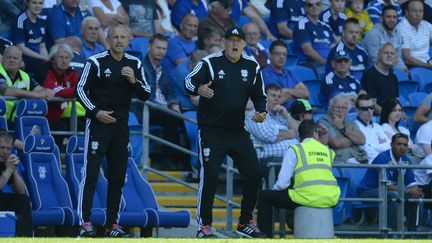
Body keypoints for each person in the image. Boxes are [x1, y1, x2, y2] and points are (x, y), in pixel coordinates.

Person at [185, 27, 267, 238]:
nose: (234, 44)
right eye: (231, 40)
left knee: (254, 173)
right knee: (210, 175)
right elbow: (189, 81)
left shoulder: (251, 66)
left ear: (243, 44)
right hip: (211, 131)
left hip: (237, 131)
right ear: (224, 42)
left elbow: (260, 95)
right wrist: (198, 89)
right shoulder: (210, 62)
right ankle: (204, 226)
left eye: (238, 41)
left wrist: (261, 111)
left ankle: (245, 222)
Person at [75, 24, 151, 238]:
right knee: (90, 174)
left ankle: (112, 224)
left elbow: (146, 93)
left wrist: (133, 81)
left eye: (123, 37)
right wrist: (95, 112)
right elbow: (79, 89)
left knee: (118, 177)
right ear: (108, 40)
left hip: (120, 127)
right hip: (98, 124)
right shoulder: (96, 62)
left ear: (128, 41)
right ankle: (85, 221)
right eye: (115, 37)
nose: (119, 41)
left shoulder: (134, 63)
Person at [256, 120, 340, 238]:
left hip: (306, 197)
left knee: (265, 197)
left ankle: (265, 238)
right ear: (316, 133)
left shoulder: (295, 149)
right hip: (331, 198)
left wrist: (275, 191)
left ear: (300, 136)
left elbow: (282, 183)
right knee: (293, 194)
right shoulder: (327, 151)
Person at [358, 133, 422, 234]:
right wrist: (409, 190)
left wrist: (415, 191)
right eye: (399, 144)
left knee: (415, 197)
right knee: (394, 195)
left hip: (389, 191)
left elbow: (411, 183)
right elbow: (387, 187)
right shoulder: (382, 158)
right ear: (391, 145)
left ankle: (412, 233)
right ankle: (393, 232)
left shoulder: (406, 159)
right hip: (368, 191)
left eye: (405, 145)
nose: (402, 147)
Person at [245, 84, 299, 160]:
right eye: (273, 96)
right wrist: (289, 133)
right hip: (265, 159)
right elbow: (268, 136)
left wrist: (286, 115)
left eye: (279, 97)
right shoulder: (256, 114)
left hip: (287, 158)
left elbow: (299, 132)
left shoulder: (281, 115)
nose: (276, 99)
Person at [0, 46, 54, 122]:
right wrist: (36, 95)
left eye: (15, 58)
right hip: (1, 119)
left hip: (17, 120)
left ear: (21, 61)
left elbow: (40, 89)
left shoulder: (25, 76)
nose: (12, 60)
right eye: (9, 57)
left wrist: (48, 92)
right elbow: (7, 91)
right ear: (3, 59)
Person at [0, 131, 32, 237]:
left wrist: (14, 169)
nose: (5, 152)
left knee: (23, 200)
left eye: (8, 149)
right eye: (2, 148)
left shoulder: (6, 161)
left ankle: (23, 238)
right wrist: (9, 170)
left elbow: (20, 190)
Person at [319, 94, 367, 163]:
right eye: (337, 107)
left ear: (348, 110)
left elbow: (362, 140)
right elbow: (336, 143)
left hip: (357, 157)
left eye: (344, 108)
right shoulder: (324, 121)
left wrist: (342, 128)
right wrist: (354, 141)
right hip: (339, 161)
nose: (340, 111)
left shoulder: (351, 123)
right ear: (331, 108)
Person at [262, 40, 310, 108]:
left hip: (299, 110)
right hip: (279, 112)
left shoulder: (290, 73)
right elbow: (277, 99)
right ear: (270, 54)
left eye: (284, 54)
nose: (281, 57)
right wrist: (296, 92)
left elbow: (306, 93)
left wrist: (287, 91)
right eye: (278, 54)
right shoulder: (265, 74)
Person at [292, 0, 336, 68]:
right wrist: (327, 63)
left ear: (321, 7)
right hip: (310, 63)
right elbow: (308, 51)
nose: (314, 7)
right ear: (305, 8)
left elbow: (334, 48)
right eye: (310, 5)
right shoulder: (302, 24)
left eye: (317, 4)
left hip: (328, 64)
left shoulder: (326, 26)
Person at [363, 5, 406, 71]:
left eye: (394, 17)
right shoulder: (373, 34)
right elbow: (374, 60)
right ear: (381, 18)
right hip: (373, 71)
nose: (392, 20)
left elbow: (398, 58)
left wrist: (403, 67)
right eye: (388, 17)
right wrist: (394, 66)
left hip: (391, 70)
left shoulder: (398, 35)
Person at [12, 0, 50, 74]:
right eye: (34, 3)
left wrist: (47, 59)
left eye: (40, 3)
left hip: (38, 59)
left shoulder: (42, 21)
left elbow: (42, 46)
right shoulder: (21, 20)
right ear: (27, 4)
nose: (37, 6)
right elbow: (20, 47)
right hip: (25, 59)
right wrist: (42, 58)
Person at [361, 43, 398, 114]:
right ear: (379, 55)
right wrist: (387, 116)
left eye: (392, 53)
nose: (389, 55)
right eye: (386, 53)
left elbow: (396, 102)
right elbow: (372, 104)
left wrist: (401, 114)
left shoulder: (393, 77)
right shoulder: (370, 75)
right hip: (377, 118)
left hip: (391, 117)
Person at [355, 94, 391, 163]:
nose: (369, 111)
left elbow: (389, 145)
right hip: (368, 164)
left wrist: (373, 146)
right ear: (357, 110)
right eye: (365, 108)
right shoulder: (354, 127)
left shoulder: (377, 126)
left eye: (371, 107)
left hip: (382, 162)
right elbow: (366, 150)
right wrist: (381, 146)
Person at [161, 14, 198, 80]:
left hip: (187, 79)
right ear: (181, 26)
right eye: (189, 25)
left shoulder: (194, 43)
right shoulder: (174, 43)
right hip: (173, 81)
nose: (192, 29)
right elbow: (184, 66)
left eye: (195, 26)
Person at [397, 0, 432, 69]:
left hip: (427, 62)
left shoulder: (426, 25)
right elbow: (407, 59)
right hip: (411, 67)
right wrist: (428, 66)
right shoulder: (401, 28)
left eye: (420, 11)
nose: (418, 14)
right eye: (414, 11)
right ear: (407, 12)